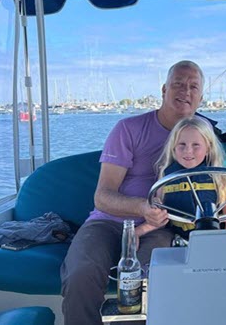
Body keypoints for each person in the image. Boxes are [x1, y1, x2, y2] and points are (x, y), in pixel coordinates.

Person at [61, 60, 208, 325]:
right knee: (80, 274)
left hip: (161, 228)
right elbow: (102, 196)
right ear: (164, 89)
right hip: (108, 222)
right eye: (178, 84)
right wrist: (143, 208)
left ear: (201, 97)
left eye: (193, 86)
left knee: (147, 279)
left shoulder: (204, 137)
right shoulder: (128, 129)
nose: (185, 91)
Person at [135, 116, 226, 241]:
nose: (188, 151)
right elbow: (159, 218)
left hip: (213, 238)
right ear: (173, 148)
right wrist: (136, 232)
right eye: (182, 144)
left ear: (208, 148)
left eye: (196, 145)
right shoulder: (166, 179)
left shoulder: (220, 179)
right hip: (176, 239)